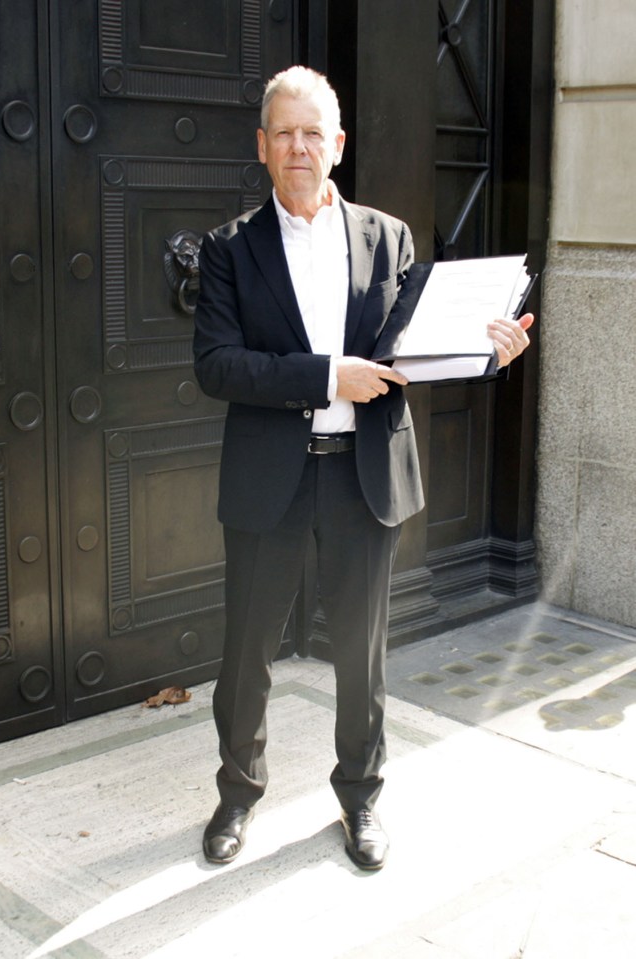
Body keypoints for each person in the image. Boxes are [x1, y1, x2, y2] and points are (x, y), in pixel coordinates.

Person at [193, 66, 533, 871]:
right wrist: (322, 377)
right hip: (268, 479)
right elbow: (217, 365)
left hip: (362, 476)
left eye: (314, 132)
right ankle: (237, 794)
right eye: (284, 132)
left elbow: (421, 344)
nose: (299, 146)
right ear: (262, 147)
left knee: (362, 654)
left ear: (337, 145)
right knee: (246, 652)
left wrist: (489, 351)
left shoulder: (389, 237)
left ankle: (360, 799)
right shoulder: (228, 249)